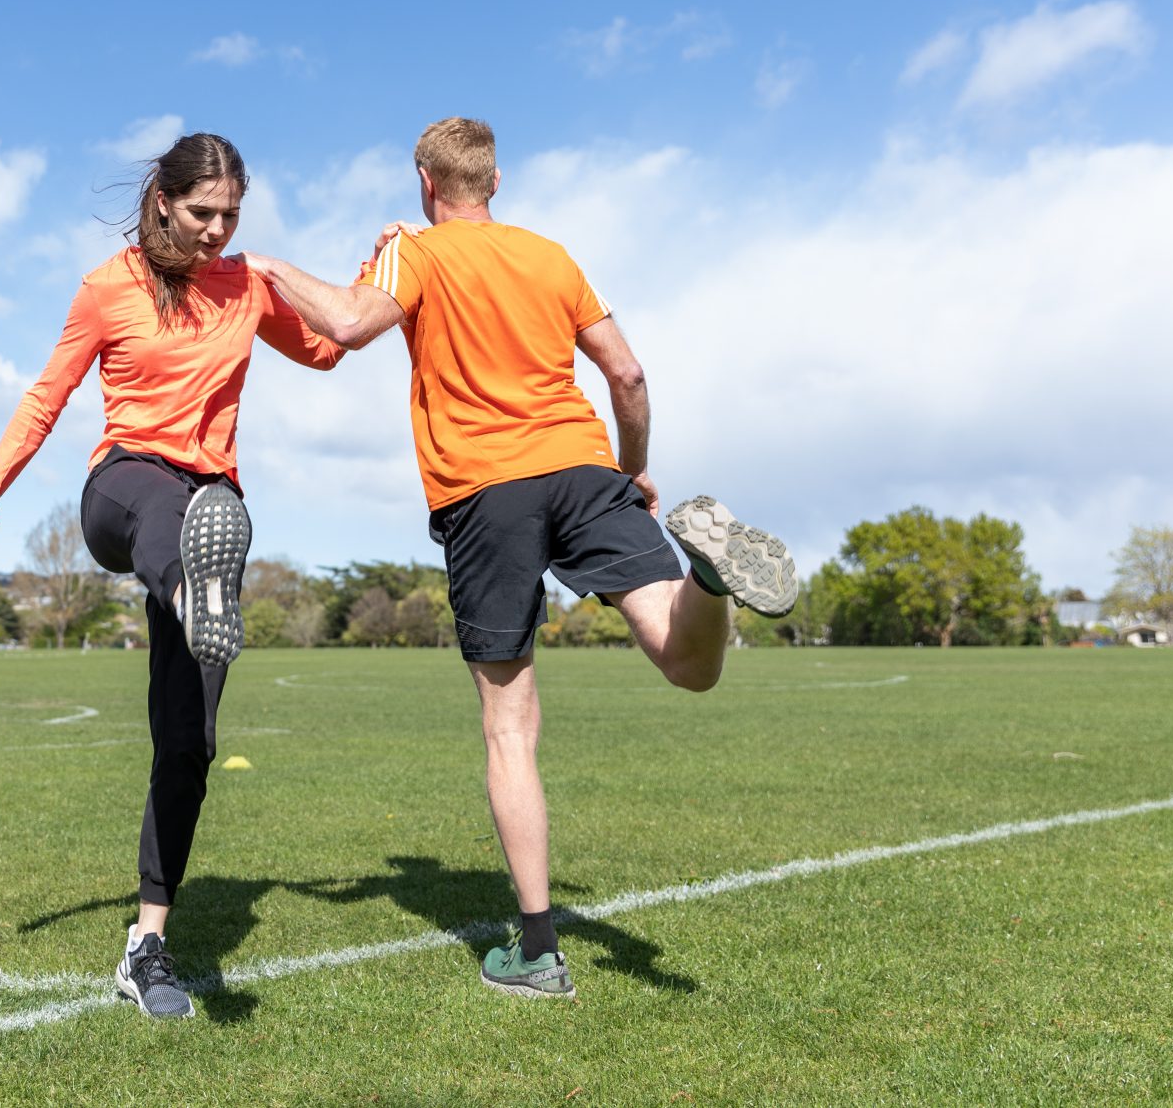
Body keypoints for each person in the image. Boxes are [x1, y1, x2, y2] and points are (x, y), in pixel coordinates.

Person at [242, 117, 796, 999]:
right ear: (494, 183)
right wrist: (635, 467)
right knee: (688, 663)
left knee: (511, 726)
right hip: (582, 467)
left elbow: (344, 327)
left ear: (427, 182)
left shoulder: (415, 252)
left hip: (485, 492)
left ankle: (538, 952)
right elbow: (629, 375)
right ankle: (708, 574)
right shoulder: (552, 256)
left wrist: (268, 265)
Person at [0, 131, 344, 1018]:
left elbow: (326, 350)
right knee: (177, 513)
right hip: (124, 491)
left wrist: (381, 280)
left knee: (190, 741)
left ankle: (147, 945)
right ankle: (186, 588)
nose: (217, 230)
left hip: (216, 506)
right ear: (163, 199)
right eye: (204, 212)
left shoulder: (245, 284)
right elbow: (45, 397)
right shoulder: (110, 287)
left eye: (232, 216)